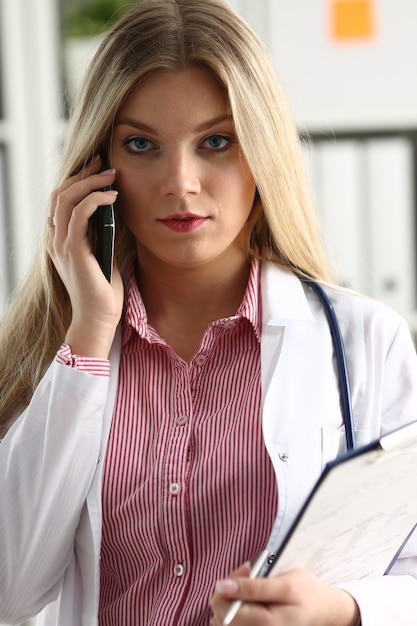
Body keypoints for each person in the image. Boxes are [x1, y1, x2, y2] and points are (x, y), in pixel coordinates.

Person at [0, 0, 416, 624]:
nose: (181, 182)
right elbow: (11, 589)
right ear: (96, 172)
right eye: (142, 145)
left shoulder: (365, 340)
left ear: (262, 155)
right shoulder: (56, 350)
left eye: (216, 142)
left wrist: (339, 609)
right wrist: (88, 336)